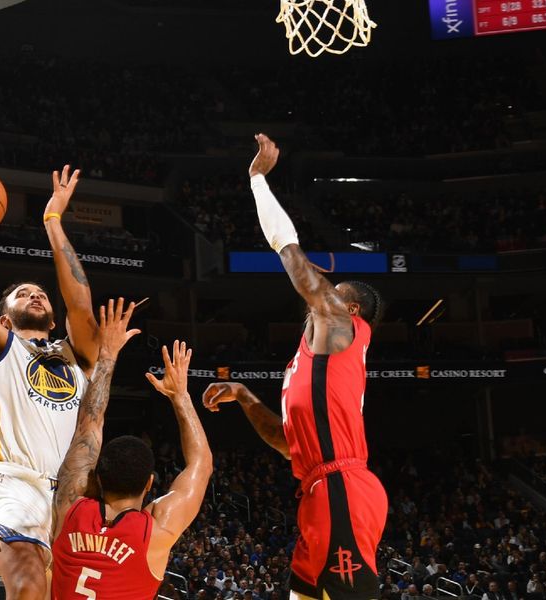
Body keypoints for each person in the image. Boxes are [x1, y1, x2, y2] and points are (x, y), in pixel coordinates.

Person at [203, 134, 387, 600]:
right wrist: (246, 399)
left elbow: (294, 261)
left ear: (352, 311)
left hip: (342, 486)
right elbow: (287, 443)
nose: (323, 297)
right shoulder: (310, 362)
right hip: (321, 487)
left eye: (334, 292)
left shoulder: (344, 329)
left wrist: (259, 182)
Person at [0, 165, 99, 600]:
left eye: (39, 292)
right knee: (28, 587)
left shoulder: (76, 356)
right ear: (5, 316)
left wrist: (53, 221)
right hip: (16, 483)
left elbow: (81, 304)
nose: (35, 293)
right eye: (22, 292)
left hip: (71, 496)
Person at [51, 298, 213, 599]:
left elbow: (90, 423)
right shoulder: (154, 534)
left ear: (95, 477)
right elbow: (200, 465)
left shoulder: (69, 507)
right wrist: (180, 396)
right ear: (150, 483)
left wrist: (108, 354)